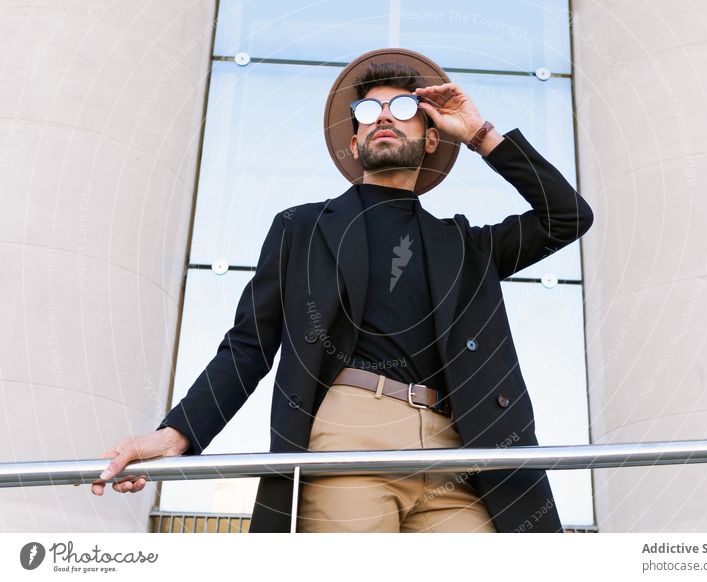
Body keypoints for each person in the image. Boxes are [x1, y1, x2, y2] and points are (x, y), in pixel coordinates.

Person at [88, 48, 593, 533]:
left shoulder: (467, 246)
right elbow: (248, 347)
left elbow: (568, 216)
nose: (383, 117)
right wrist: (177, 435)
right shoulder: (301, 229)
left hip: (458, 453)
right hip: (350, 437)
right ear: (355, 143)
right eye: (368, 110)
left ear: (434, 136)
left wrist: (481, 133)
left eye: (404, 107)